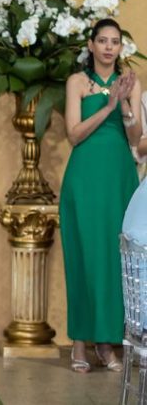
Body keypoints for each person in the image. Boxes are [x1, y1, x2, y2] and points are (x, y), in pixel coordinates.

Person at [60, 18, 142, 374]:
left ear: (121, 48)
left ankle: (107, 343)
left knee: (114, 259)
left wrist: (123, 105)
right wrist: (107, 106)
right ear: (91, 45)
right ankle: (80, 341)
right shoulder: (77, 82)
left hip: (119, 176)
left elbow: (136, 138)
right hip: (85, 178)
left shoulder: (130, 83)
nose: (109, 47)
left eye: (115, 42)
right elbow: (73, 134)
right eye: (103, 41)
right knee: (84, 255)